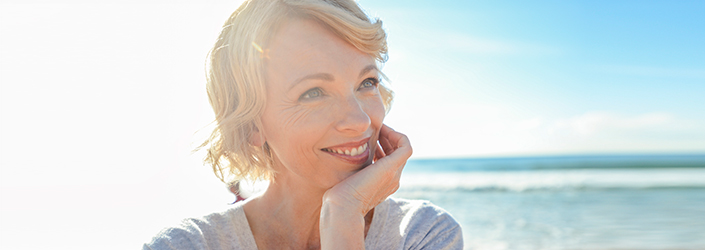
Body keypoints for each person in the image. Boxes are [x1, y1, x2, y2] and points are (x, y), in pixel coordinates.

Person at [144, 0, 463, 249]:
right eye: (313, 92)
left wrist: (344, 215)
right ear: (251, 125)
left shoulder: (423, 234)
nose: (360, 120)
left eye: (367, 82)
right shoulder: (185, 246)